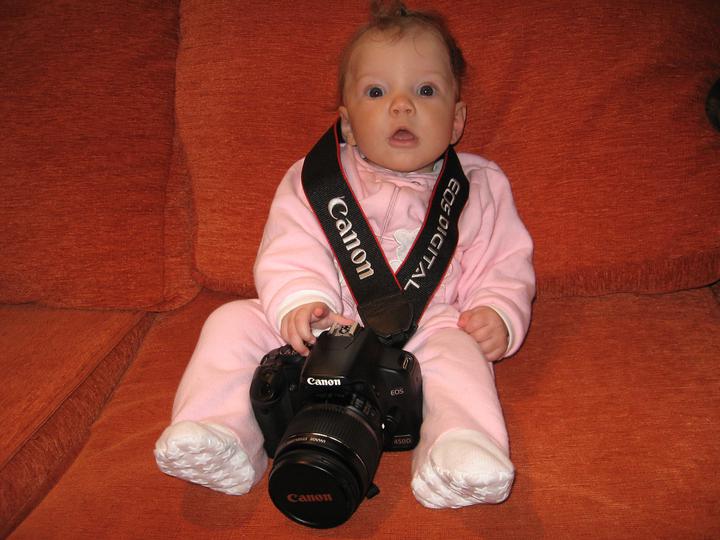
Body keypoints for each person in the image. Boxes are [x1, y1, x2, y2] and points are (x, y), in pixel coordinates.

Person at [155, 0, 535, 509]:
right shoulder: (317, 180)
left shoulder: (477, 187)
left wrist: (498, 312)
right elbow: (289, 247)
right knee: (230, 322)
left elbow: (504, 262)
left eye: (425, 90)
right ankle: (220, 435)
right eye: (376, 92)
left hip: (427, 326)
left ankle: (457, 451)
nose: (402, 106)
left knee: (461, 354)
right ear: (348, 124)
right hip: (324, 324)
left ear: (457, 120)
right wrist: (300, 302)